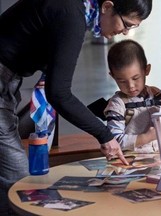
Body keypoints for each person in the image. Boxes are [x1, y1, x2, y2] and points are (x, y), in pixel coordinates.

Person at [0, 0, 152, 215]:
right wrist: (105, 135)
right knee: (20, 184)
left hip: (8, 83)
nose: (125, 32)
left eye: (132, 27)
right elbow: (59, 93)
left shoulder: (75, 10)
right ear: (107, 6)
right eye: (126, 24)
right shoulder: (71, 14)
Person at [104, 39, 161, 153]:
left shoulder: (159, 97)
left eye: (136, 78)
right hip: (133, 164)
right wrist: (147, 137)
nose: (131, 86)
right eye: (122, 81)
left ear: (147, 70)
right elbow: (114, 142)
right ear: (113, 76)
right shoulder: (117, 104)